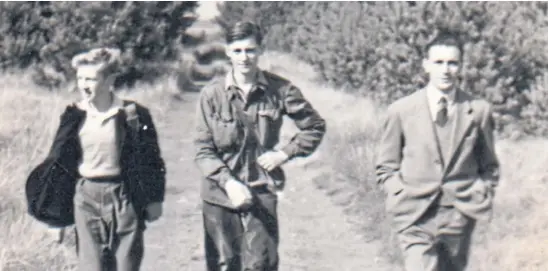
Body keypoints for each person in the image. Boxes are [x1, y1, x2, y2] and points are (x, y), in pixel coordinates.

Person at [193, 21, 327, 271]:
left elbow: (315, 126)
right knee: (225, 265)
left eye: (250, 50)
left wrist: (284, 153)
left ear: (260, 50)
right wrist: (229, 182)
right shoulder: (211, 95)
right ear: (228, 52)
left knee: (261, 264)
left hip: (261, 190)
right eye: (238, 51)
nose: (244, 58)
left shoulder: (280, 90)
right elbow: (203, 149)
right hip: (219, 194)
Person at [28, 47, 166, 270]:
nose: (84, 85)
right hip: (86, 199)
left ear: (110, 80)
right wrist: (55, 220)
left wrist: (154, 199)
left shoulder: (133, 114)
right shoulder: (74, 115)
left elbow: (152, 159)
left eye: (91, 79)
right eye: (80, 78)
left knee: (126, 265)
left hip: (125, 196)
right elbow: (59, 165)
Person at [375, 32, 500, 271]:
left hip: (459, 216)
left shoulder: (478, 111)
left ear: (461, 66)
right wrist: (398, 193)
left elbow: (489, 165)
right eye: (439, 63)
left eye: (452, 63)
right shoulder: (401, 110)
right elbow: (386, 166)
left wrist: (479, 192)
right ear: (426, 65)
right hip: (415, 214)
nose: (446, 70)